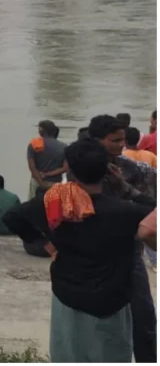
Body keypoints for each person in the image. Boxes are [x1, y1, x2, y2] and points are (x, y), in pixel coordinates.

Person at [3, 139, 154, 363]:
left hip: (67, 297)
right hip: (110, 302)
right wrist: (124, 186)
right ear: (107, 170)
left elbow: (12, 217)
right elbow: (154, 211)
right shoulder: (126, 212)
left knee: (68, 355)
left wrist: (45, 243)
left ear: (70, 170)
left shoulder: (56, 203)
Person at [87, 114, 156, 363]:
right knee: (97, 323)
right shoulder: (82, 171)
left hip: (129, 248)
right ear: (96, 140)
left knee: (144, 316)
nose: (120, 145)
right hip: (95, 252)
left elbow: (151, 205)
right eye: (114, 140)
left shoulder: (132, 169)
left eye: (123, 140)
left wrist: (125, 186)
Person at [27, 120, 67, 199]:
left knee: (33, 207)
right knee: (54, 207)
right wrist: (48, 174)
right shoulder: (64, 147)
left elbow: (32, 167)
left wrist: (41, 183)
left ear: (42, 131)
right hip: (55, 183)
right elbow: (65, 168)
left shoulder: (34, 145)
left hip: (37, 182)